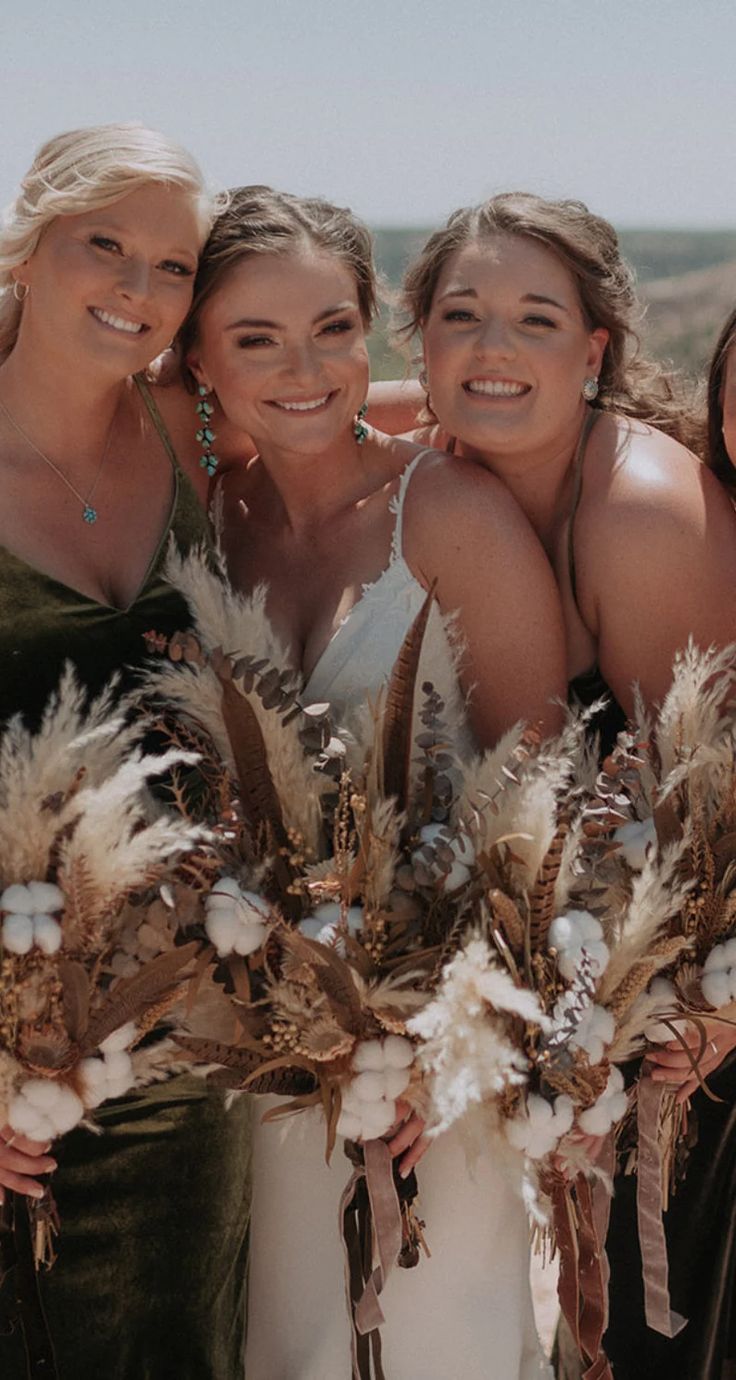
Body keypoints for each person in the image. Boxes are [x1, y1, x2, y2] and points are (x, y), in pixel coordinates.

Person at [180, 184, 567, 1379]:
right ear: (193, 354)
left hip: (422, 1067)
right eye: (255, 338)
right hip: (237, 1059)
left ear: (368, 332)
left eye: (334, 328)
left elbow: (540, 796)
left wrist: (439, 1041)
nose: (306, 367)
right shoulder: (200, 521)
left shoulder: (446, 511)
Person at [398, 196, 736, 1379]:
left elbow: (706, 807)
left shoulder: (638, 512)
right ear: (421, 341)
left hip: (696, 1017)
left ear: (593, 352)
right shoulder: (454, 473)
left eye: (534, 320)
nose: (492, 349)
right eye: (461, 317)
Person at [0, 124, 250, 1380]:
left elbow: (337, 429)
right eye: (105, 243)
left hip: (183, 1032)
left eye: (173, 264)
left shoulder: (184, 427)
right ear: (27, 243)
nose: (137, 288)